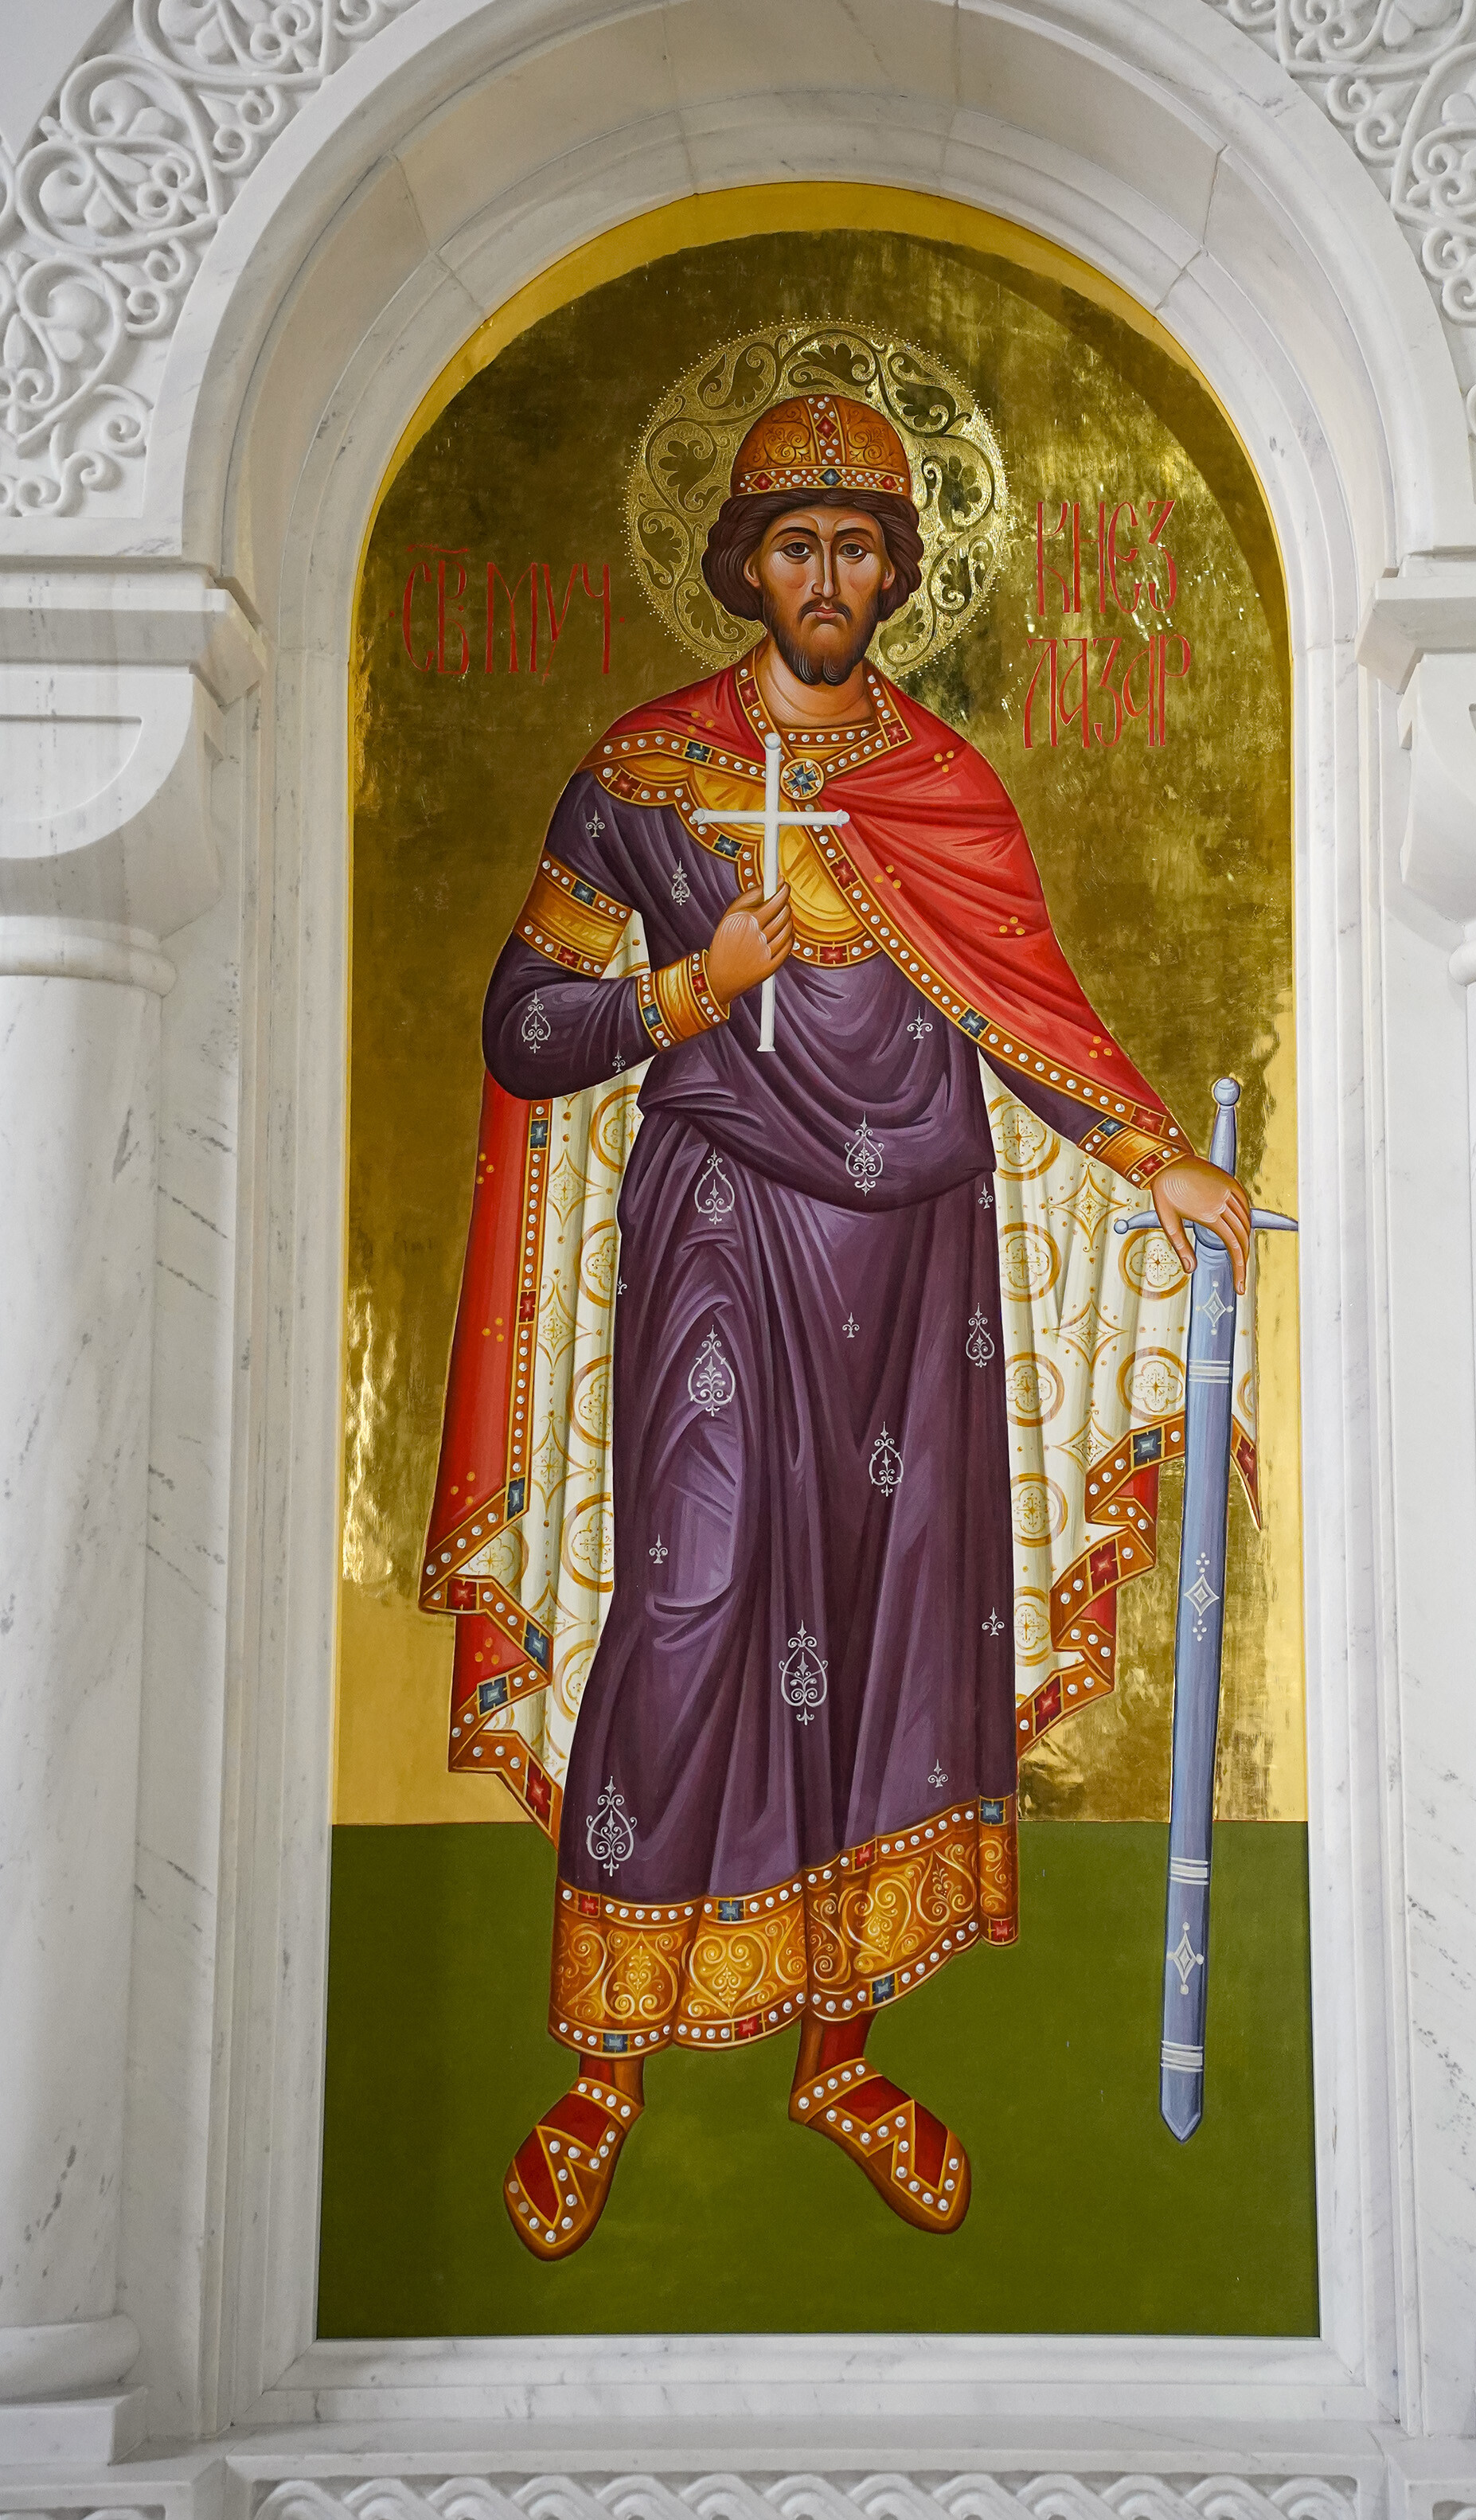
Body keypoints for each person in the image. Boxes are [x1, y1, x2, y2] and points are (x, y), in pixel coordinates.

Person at [435, 391, 1249, 2258]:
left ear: (894, 572)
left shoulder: (943, 784)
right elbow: (522, 1027)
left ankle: (839, 2054)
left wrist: (1154, 1160)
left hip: (914, 1246)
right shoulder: (647, 772)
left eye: (857, 545)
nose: (824, 576)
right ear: (744, 564)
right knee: (696, 1594)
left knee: (889, 1628)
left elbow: (1023, 1006)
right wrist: (686, 988)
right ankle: (606, 2064)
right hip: (724, 1220)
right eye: (793, 544)